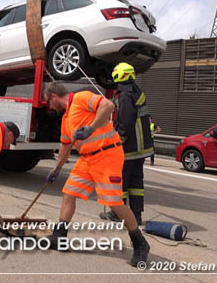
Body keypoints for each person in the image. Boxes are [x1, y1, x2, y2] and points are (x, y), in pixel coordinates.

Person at [43, 82, 150, 266]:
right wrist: (56, 170)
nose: (49, 107)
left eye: (48, 102)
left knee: (114, 203)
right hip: (86, 159)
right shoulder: (66, 119)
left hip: (107, 155)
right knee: (69, 193)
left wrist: (91, 128)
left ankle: (140, 243)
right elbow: (65, 145)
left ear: (53, 96)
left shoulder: (81, 98)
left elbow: (108, 105)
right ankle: (59, 237)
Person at [100, 62, 154, 225]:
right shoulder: (137, 91)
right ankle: (136, 216)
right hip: (142, 149)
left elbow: (126, 122)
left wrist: (118, 142)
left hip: (129, 148)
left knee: (121, 182)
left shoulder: (124, 95)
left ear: (118, 76)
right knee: (136, 183)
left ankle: (118, 214)